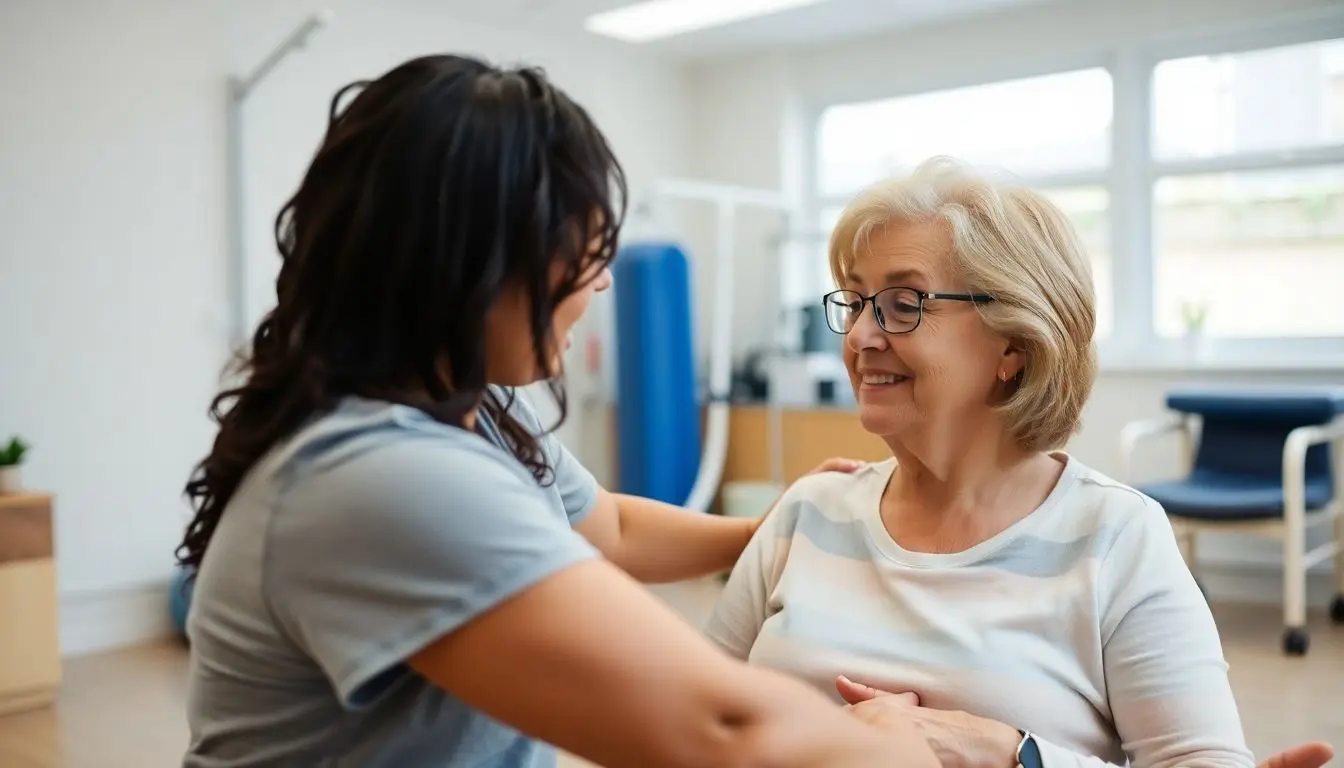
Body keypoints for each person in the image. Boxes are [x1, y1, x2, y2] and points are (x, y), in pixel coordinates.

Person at [175, 54, 938, 767]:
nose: (601, 284)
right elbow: (720, 730)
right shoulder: (382, 477)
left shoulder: (473, 411)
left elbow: (609, 527)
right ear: (480, 259)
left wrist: (772, 530)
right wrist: (895, 740)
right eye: (583, 252)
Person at [703, 157, 1335, 768]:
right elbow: (695, 721)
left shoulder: (1117, 538)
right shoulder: (806, 513)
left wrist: (1011, 755)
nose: (862, 336)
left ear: (1015, 343)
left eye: (903, 304)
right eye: (857, 300)